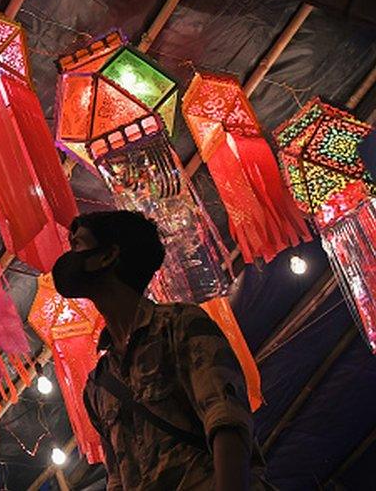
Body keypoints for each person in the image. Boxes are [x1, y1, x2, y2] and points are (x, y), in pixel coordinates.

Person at [51, 210, 268, 490]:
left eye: (78, 245)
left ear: (107, 257)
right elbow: (118, 478)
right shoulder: (98, 385)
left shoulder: (178, 325)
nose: (70, 256)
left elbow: (226, 421)